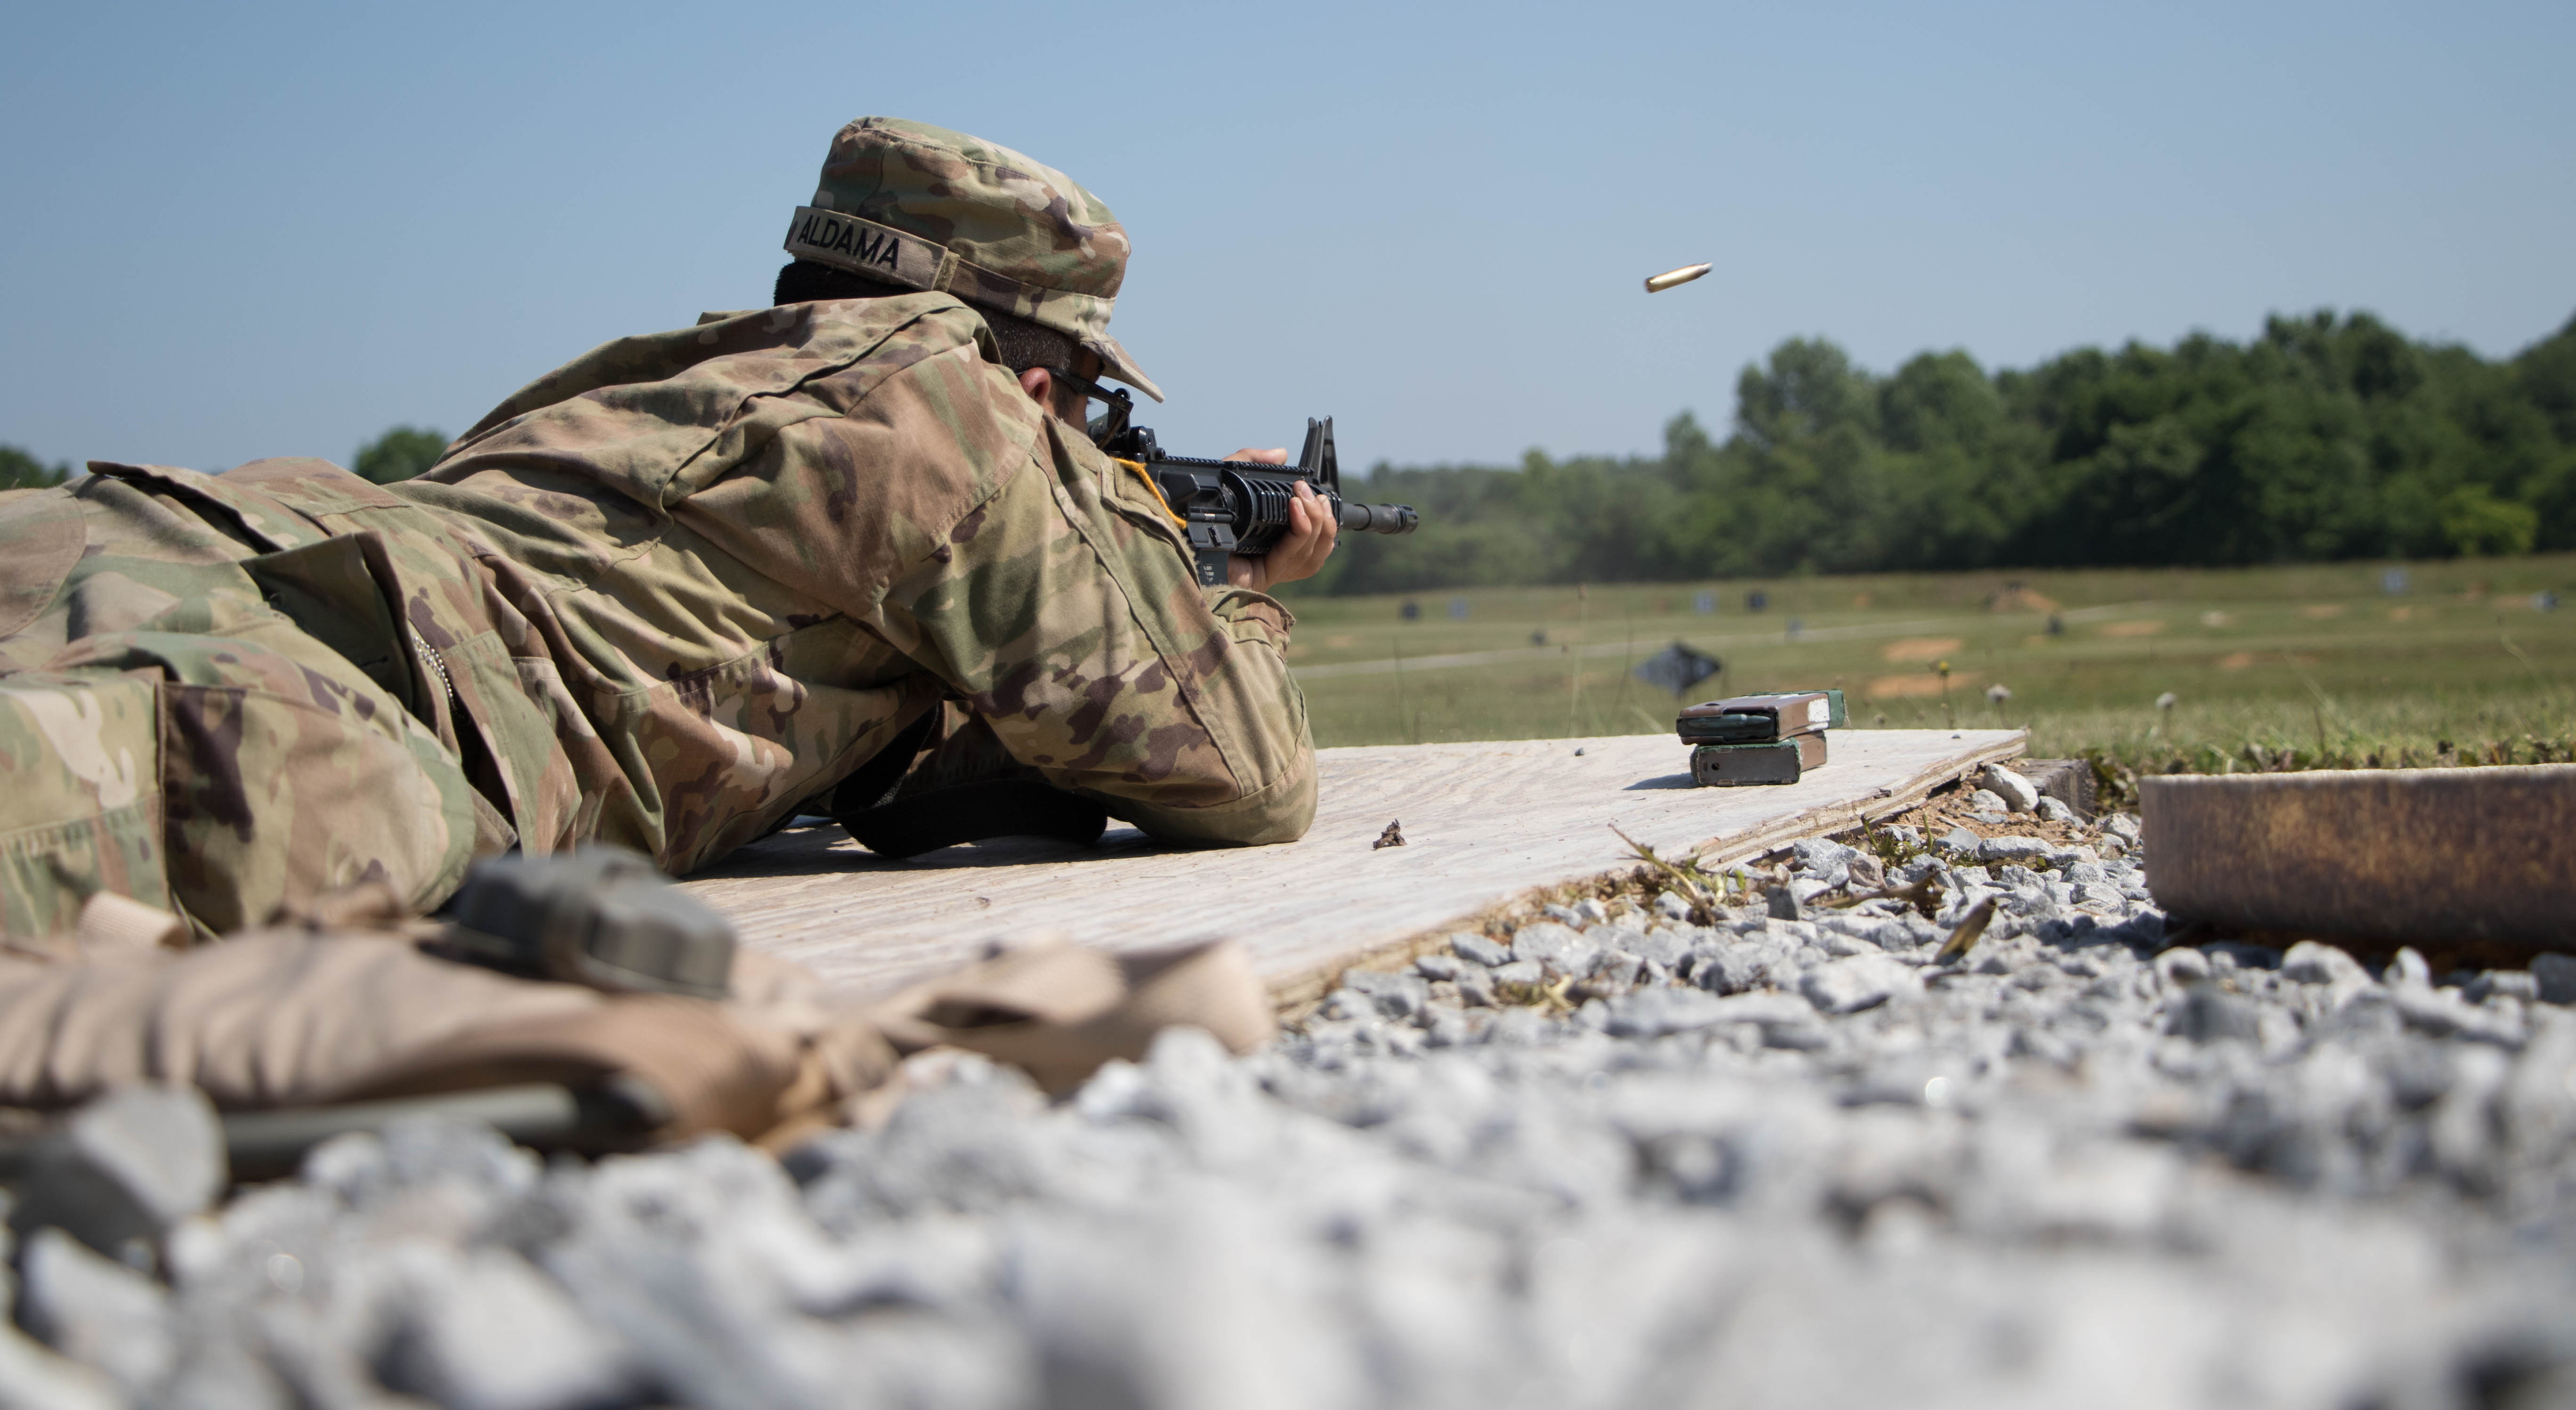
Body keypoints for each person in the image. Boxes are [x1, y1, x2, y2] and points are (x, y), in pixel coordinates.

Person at [0, 115, 1331, 942]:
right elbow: (1243, 775)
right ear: (1035, 385)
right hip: (328, 719)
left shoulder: (676, 375)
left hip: (172, 541)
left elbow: (887, 766)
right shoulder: (951, 402)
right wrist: (1247, 598)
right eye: (1086, 403)